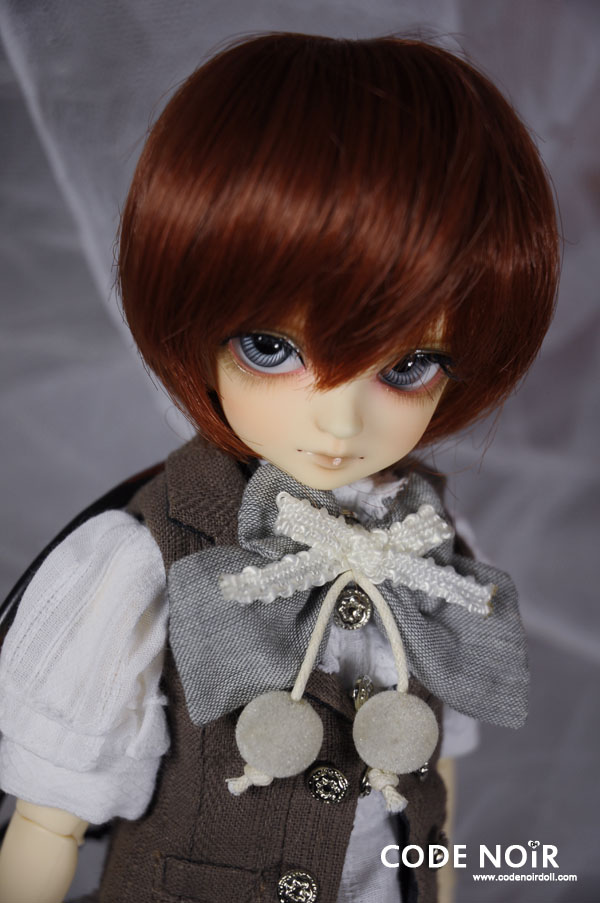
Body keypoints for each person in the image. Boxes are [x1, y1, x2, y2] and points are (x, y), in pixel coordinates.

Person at [0, 32, 559, 903]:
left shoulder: (428, 543)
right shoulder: (143, 557)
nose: (339, 420)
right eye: (272, 348)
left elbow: (434, 791)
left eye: (408, 365)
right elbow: (47, 820)